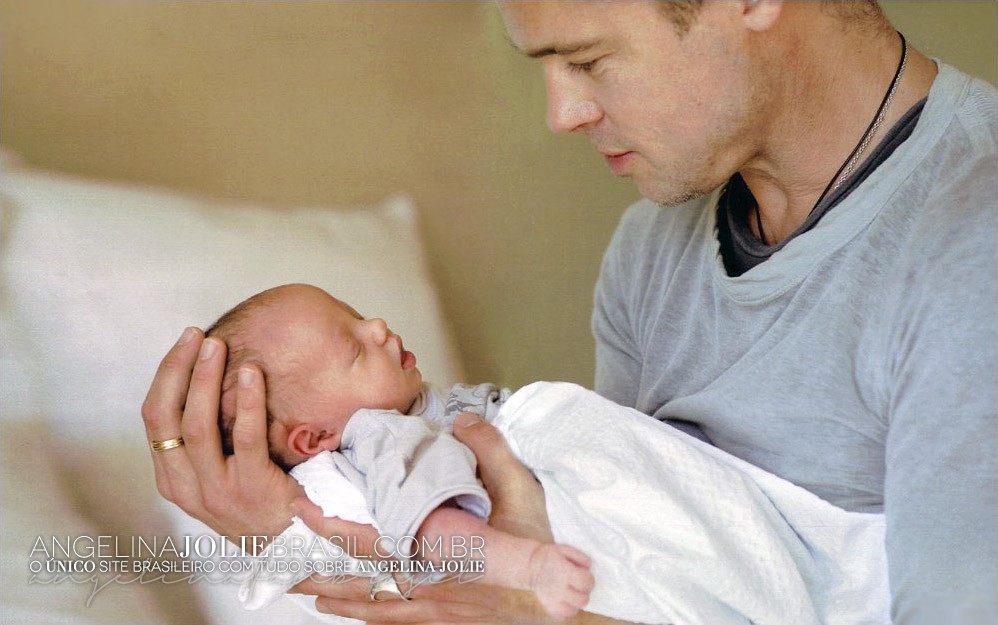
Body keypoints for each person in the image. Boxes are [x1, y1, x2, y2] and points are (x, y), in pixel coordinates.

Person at [142, 2, 996, 624]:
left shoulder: (971, 248)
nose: (563, 115)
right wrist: (280, 529)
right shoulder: (651, 250)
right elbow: (632, 556)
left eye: (586, 61)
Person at [205, 283, 593, 620]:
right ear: (315, 437)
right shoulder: (382, 436)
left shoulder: (407, 414)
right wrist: (529, 566)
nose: (376, 327)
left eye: (358, 316)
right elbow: (431, 529)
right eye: (354, 349)